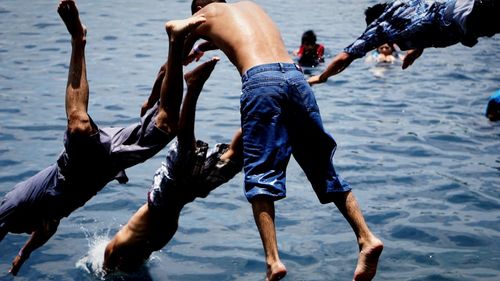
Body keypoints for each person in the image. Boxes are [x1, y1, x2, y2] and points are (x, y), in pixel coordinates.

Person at [180, 1, 384, 280]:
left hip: (261, 82)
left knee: (260, 175)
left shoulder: (204, 13)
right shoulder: (249, 7)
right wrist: (204, 47)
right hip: (295, 77)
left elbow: (177, 36)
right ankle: (366, 238)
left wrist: (184, 52)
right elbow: (242, 36)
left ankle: (272, 261)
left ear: (199, 7)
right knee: (323, 168)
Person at [0, 0, 207, 275]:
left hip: (76, 165)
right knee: (166, 125)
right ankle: (176, 44)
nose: (29, 230)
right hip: (107, 164)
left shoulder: (13, 208)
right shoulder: (48, 213)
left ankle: (78, 39)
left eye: (26, 228)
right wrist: (24, 254)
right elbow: (46, 228)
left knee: (78, 125)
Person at [102, 19, 244, 272]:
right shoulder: (135, 250)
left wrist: (185, 44)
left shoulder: (118, 249)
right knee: (234, 158)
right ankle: (265, 105)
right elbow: (161, 74)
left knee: (185, 150)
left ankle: (194, 88)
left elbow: (109, 254)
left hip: (166, 199)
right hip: (188, 192)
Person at [308, 0, 499, 85]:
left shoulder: (379, 27)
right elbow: (427, 16)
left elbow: (345, 57)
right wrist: (417, 50)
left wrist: (323, 77)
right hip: (472, 10)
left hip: (474, 15)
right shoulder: (402, 6)